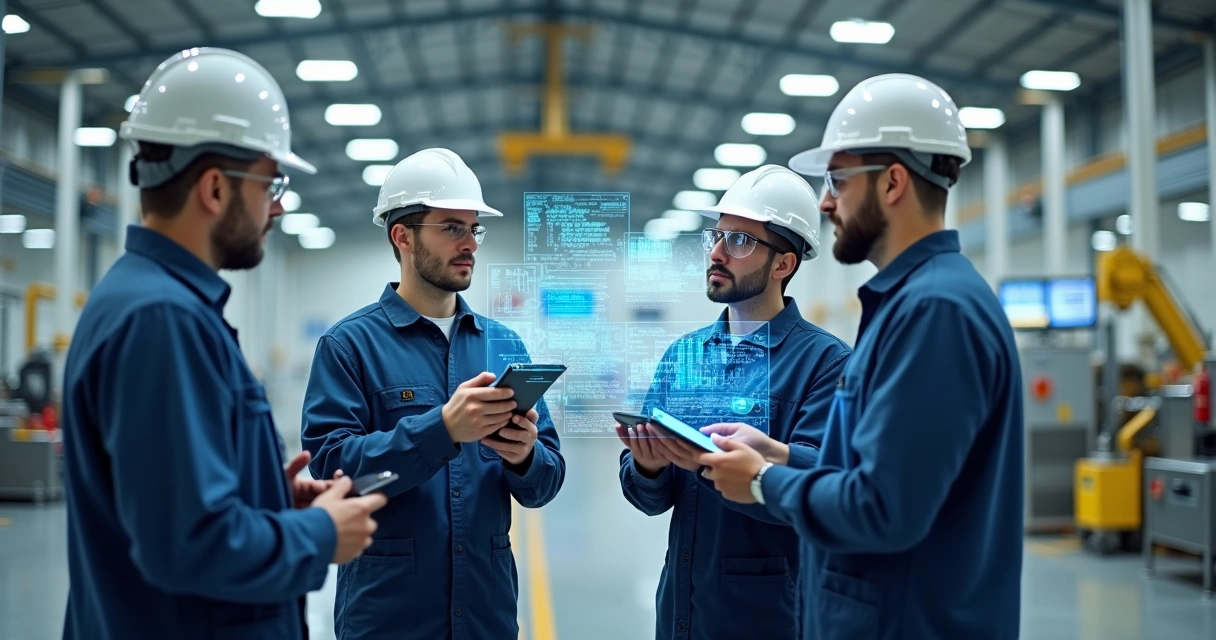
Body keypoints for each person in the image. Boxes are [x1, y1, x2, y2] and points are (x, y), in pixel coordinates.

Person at [59, 48, 387, 640]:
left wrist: (267, 495)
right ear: (214, 187)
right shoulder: (163, 320)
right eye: (271, 183)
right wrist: (318, 534)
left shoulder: (145, 301)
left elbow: (164, 501)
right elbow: (186, 545)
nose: (278, 206)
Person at [695, 73, 1024, 640]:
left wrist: (763, 482)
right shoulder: (909, 302)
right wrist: (779, 455)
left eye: (839, 180)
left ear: (893, 182)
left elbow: (883, 509)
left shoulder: (935, 311)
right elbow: (880, 469)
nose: (826, 202)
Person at [300, 147, 567, 640]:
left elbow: (546, 483)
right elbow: (331, 467)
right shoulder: (349, 345)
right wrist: (440, 430)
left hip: (486, 614)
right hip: (388, 616)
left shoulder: (504, 345)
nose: (470, 243)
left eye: (474, 229)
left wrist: (526, 457)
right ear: (402, 236)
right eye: (451, 228)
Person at [616, 165, 852, 639]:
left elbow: (821, 485)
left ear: (783, 264)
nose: (718, 253)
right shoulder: (683, 354)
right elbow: (648, 498)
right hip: (682, 610)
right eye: (718, 236)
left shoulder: (826, 362)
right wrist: (647, 466)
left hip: (766, 616)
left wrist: (728, 467)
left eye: (740, 241)